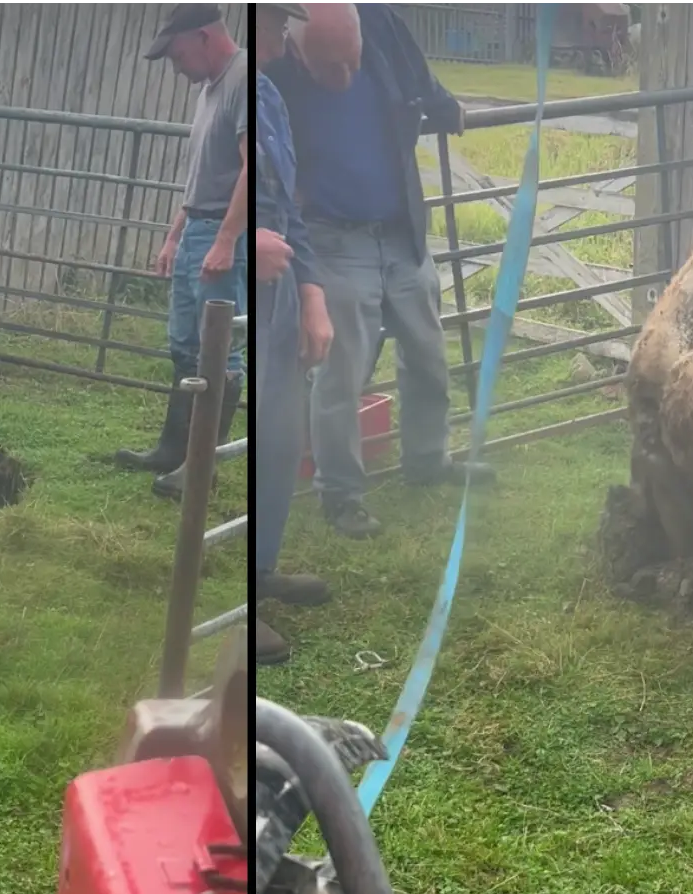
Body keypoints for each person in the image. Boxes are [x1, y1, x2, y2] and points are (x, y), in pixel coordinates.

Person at [264, 0, 494, 542]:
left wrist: (445, 107)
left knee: (427, 352)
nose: (344, 76)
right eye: (329, 68)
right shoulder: (274, 73)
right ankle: (340, 494)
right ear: (299, 51)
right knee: (340, 372)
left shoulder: (383, 25)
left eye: (352, 60)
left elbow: (419, 82)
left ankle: (428, 460)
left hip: (400, 228)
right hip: (332, 237)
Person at [117, 0, 247, 499]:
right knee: (185, 347)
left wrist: (227, 239)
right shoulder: (211, 87)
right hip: (198, 227)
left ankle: (199, 469)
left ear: (204, 38)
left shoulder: (242, 82)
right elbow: (201, 177)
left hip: (220, 233)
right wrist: (175, 234)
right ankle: (173, 450)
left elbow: (249, 170)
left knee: (218, 355)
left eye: (177, 56)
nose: (176, 67)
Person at [253, 0, 334, 666]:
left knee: (279, 436)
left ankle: (261, 567)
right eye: (276, 17)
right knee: (245, 442)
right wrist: (244, 238)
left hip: (280, 291)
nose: (285, 27)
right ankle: (235, 607)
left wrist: (311, 293)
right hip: (239, 294)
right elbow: (207, 206)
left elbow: (289, 208)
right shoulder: (228, 99)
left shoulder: (270, 98)